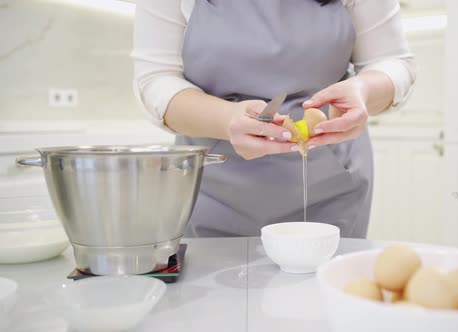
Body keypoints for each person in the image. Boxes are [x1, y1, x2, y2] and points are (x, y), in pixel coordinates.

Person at [132, 0, 416, 238]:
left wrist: (363, 90)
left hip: (331, 186)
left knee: (322, 299)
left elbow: (394, 63)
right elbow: (156, 80)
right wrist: (226, 119)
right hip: (210, 189)